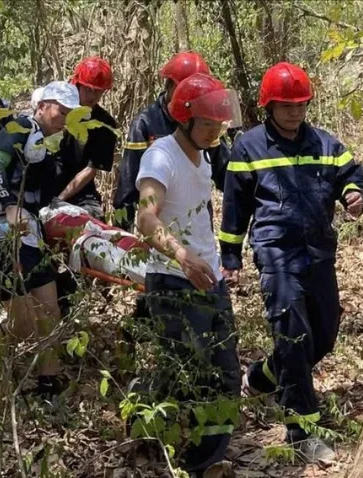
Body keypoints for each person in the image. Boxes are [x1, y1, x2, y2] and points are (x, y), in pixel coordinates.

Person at [218, 62, 363, 463]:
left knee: (324, 336)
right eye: (286, 105)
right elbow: (234, 207)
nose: (294, 111)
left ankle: (261, 376)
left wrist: (355, 195)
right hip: (275, 253)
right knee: (294, 336)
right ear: (268, 105)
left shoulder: (325, 144)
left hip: (320, 252)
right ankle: (302, 431)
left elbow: (353, 176)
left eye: (301, 103)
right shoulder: (248, 147)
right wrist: (229, 256)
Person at [135, 73, 242, 476]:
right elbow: (145, 217)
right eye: (208, 126)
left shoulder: (205, 156)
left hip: (209, 276)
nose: (215, 133)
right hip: (173, 280)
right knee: (188, 372)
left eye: (219, 126)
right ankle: (147, 428)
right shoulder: (160, 157)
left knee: (226, 371)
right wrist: (181, 255)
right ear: (184, 118)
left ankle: (205, 461)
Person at [0, 81, 81, 394]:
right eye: (60, 111)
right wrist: (10, 205)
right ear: (42, 107)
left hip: (31, 235)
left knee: (50, 309)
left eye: (69, 113)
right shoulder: (21, 127)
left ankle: (49, 380)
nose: (63, 117)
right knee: (21, 320)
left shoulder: (51, 144)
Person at [113, 51, 230, 231]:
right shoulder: (146, 123)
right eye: (185, 87)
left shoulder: (207, 121)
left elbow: (225, 174)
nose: (192, 95)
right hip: (161, 230)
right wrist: (120, 232)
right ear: (169, 86)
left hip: (198, 227)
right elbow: (128, 182)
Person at [55, 56, 119, 218]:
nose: (93, 95)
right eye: (88, 89)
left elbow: (91, 169)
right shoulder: (55, 109)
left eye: (98, 91)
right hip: (45, 183)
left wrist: (60, 199)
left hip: (81, 193)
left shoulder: (105, 124)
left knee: (94, 221)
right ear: (77, 84)